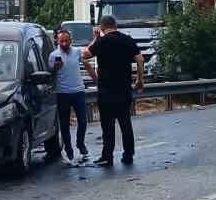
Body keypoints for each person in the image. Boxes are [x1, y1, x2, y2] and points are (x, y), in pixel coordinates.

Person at [87, 16, 144, 166]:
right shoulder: (128, 40)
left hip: (106, 92)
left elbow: (85, 54)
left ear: (102, 27)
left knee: (107, 126)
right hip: (124, 90)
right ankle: (128, 155)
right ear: (115, 25)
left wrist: (95, 38)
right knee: (126, 124)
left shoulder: (101, 42)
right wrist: (139, 80)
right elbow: (140, 59)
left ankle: (107, 157)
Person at [48, 30, 93, 166]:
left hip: (78, 91)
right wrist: (55, 68)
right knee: (64, 124)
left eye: (66, 40)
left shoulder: (76, 52)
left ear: (71, 40)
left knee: (83, 121)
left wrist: (96, 79)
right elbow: (50, 73)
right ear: (57, 41)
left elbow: (88, 56)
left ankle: (80, 143)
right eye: (61, 41)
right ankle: (68, 148)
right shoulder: (53, 55)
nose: (64, 43)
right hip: (62, 93)